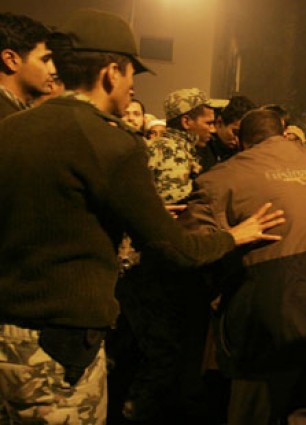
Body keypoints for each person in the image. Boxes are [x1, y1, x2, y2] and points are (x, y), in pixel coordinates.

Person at [0, 9, 284, 425]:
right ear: (112, 72)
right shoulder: (112, 142)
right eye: (132, 73)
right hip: (60, 350)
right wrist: (235, 235)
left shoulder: (12, 127)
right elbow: (175, 249)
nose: (133, 86)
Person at [181, 109, 306, 424]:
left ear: (240, 140)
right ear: (284, 131)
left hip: (271, 320)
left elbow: (190, 251)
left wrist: (230, 238)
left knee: (255, 415)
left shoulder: (218, 180)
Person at [148, 87, 216, 204]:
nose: (213, 129)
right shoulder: (172, 152)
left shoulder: (162, 145)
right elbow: (176, 206)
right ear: (186, 122)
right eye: (208, 123)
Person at [0, 12, 55, 119]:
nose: (53, 70)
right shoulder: (6, 119)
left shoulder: (18, 112)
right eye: (45, 60)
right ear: (11, 60)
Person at [197, 94, 256, 172]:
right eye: (235, 132)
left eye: (244, 134)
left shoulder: (244, 151)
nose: (238, 140)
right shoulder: (202, 147)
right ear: (219, 123)